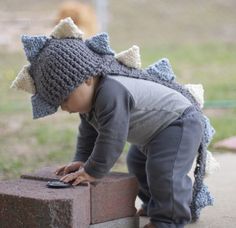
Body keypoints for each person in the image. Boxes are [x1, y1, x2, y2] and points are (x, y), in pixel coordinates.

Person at [10, 17, 215, 228]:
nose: (64, 107)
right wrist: (82, 160)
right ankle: (159, 204)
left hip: (179, 123)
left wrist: (94, 170)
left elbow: (113, 137)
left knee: (164, 170)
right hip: (154, 133)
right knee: (137, 164)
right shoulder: (90, 105)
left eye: (64, 98)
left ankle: (169, 218)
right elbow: (89, 134)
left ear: (87, 78)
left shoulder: (111, 92)